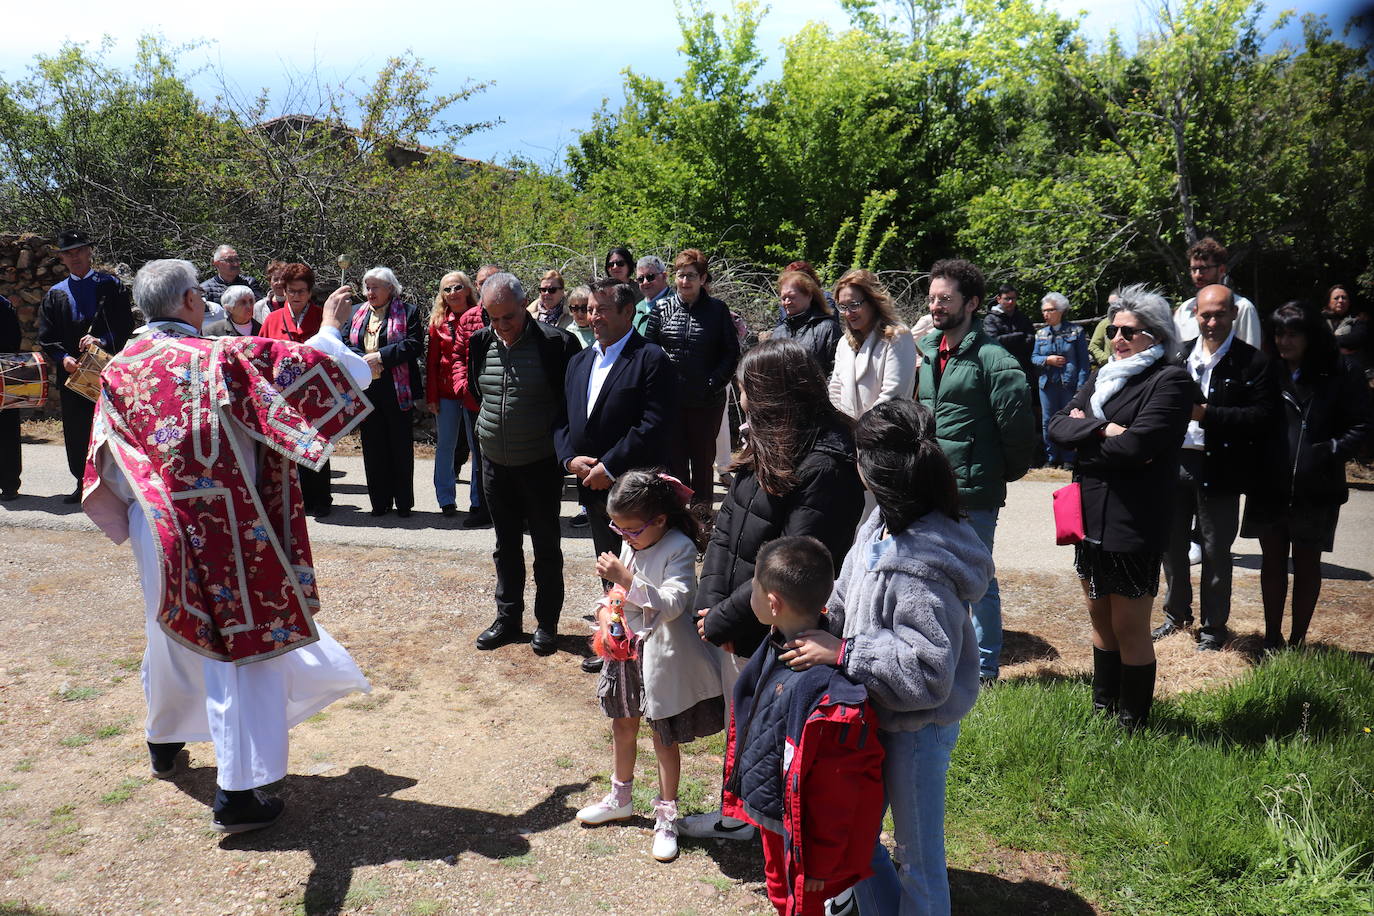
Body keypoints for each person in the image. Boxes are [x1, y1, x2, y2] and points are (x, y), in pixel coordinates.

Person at [81, 259, 372, 832]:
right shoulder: (214, 357)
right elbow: (320, 370)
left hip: (153, 524)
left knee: (168, 628)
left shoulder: (120, 368)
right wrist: (333, 328)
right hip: (222, 522)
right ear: (191, 299)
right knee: (242, 648)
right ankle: (238, 791)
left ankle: (163, 739)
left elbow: (107, 460)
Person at [782, 400, 992, 916]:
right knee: (860, 837)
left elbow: (928, 675)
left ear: (870, 469)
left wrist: (846, 651)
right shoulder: (879, 522)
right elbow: (850, 591)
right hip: (876, 713)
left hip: (918, 729)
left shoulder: (920, 563)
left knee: (918, 856)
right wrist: (817, 617)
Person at [681, 337, 864, 843]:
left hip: (777, 624)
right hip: (739, 616)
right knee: (744, 723)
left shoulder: (825, 464)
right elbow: (727, 528)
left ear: (772, 393)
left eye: (744, 390)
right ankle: (738, 817)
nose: (738, 399)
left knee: (770, 733)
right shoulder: (767, 439)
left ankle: (772, 830)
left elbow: (792, 563)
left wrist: (725, 618)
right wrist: (707, 601)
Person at [1048, 284, 1194, 729]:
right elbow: (1055, 428)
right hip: (1089, 512)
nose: (1117, 338)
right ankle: (1102, 711)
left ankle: (1132, 725)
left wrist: (1087, 434)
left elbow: (1137, 448)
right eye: (1113, 329)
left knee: (1130, 626)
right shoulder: (1103, 375)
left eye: (1128, 331)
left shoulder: (1170, 381)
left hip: (1135, 518)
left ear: (1156, 335)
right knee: (1099, 618)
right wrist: (1103, 431)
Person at [721, 536, 886, 916]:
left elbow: (837, 785)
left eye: (754, 590)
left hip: (802, 835)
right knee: (779, 890)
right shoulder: (779, 644)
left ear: (773, 604)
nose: (749, 597)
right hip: (775, 811)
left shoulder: (825, 692)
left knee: (797, 902)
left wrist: (821, 861)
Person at [574, 471, 724, 862]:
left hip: (663, 659)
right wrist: (608, 608)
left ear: (659, 519)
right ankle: (620, 797)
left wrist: (627, 578)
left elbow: (674, 605)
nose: (624, 536)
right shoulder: (635, 542)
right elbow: (624, 594)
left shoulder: (678, 546)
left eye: (630, 529)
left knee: (663, 738)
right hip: (627, 653)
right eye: (617, 528)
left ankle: (666, 817)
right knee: (623, 724)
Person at [915, 258, 1035, 683]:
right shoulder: (928, 352)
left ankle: (985, 668)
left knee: (978, 580)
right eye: (932, 299)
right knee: (932, 574)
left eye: (945, 299)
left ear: (972, 303)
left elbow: (1019, 430)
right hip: (930, 488)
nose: (935, 306)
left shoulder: (993, 358)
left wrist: (996, 474)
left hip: (974, 492)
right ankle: (944, 654)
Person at [1153, 285, 1277, 651]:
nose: (1211, 321)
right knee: (1171, 546)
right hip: (1174, 462)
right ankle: (1176, 616)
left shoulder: (1252, 362)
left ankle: (1213, 629)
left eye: (1219, 314)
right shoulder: (1176, 356)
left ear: (1233, 315)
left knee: (1215, 551)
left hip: (1221, 466)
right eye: (1205, 314)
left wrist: (1208, 414)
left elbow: (1263, 417)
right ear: (1195, 315)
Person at [1243, 301, 1371, 650]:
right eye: (1279, 333)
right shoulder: (1265, 369)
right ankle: (1272, 638)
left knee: (1307, 562)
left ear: (1311, 335)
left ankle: (1298, 641)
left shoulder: (1343, 371)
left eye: (1293, 334)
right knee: (1271, 562)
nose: (1284, 341)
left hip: (1318, 486)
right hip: (1269, 484)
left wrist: (1326, 452)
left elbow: (1362, 426)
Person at [469, 273, 581, 655]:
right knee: (505, 545)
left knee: (546, 547)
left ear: (524, 306)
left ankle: (546, 623)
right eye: (493, 317)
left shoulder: (556, 345)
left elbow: (568, 404)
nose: (501, 326)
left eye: (508, 317)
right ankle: (507, 618)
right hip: (495, 463)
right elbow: (476, 390)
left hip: (540, 464)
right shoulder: (480, 342)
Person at [555, 278, 676, 597]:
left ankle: (641, 639)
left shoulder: (650, 358)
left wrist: (608, 468)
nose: (593, 316)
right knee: (608, 569)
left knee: (642, 575)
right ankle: (614, 636)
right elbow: (562, 418)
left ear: (628, 312)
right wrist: (569, 459)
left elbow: (654, 422)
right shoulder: (578, 362)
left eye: (602, 309)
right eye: (590, 309)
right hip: (593, 490)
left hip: (637, 491)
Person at [37, 230, 136, 503]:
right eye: (69, 252)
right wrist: (62, 358)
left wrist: (102, 340)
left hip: (106, 372)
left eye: (80, 250)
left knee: (110, 428)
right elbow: (47, 336)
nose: (75, 256)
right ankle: (83, 483)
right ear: (62, 258)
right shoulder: (55, 294)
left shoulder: (110, 285)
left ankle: (116, 486)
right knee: (77, 430)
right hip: (72, 376)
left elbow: (125, 324)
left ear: (89, 251)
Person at [644, 249, 740, 509]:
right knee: (674, 462)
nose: (685, 281)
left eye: (691, 276)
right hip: (671, 399)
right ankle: (677, 520)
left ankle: (703, 521)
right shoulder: (662, 307)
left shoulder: (717, 310)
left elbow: (731, 352)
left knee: (702, 460)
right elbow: (648, 350)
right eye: (680, 275)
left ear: (703, 278)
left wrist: (713, 383)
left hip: (707, 400)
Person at [346, 267, 424, 518]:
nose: (370, 292)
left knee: (400, 446)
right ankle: (379, 503)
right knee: (373, 445)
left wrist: (380, 356)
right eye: (367, 287)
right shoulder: (357, 313)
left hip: (396, 388)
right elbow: (346, 344)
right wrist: (363, 360)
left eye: (376, 287)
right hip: (367, 388)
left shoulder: (409, 312)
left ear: (390, 289)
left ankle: (403, 504)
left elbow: (413, 344)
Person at [262, 263, 334, 517]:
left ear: (310, 291)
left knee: (319, 444)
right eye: (291, 291)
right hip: (284, 394)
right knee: (291, 447)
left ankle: (322, 498)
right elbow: (263, 354)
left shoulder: (321, 317)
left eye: (301, 291)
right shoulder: (272, 319)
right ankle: (298, 498)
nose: (296, 296)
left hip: (315, 392)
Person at [426, 270, 485, 519]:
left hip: (473, 392)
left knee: (477, 447)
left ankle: (477, 500)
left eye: (457, 287)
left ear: (468, 289)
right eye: (447, 289)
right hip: (446, 392)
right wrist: (431, 397)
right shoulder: (438, 323)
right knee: (446, 445)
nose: (452, 293)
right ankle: (446, 499)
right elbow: (431, 363)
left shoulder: (481, 317)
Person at [827, 268, 917, 420]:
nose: (848, 313)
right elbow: (835, 390)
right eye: (843, 307)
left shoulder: (897, 336)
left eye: (854, 304)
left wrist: (863, 429)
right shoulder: (844, 343)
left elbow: (893, 396)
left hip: (884, 432)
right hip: (848, 435)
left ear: (873, 301)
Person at [1031, 292, 1091, 467]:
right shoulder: (1040, 334)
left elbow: (1083, 363)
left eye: (1049, 310)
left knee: (1069, 420)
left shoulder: (1076, 331)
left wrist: (1081, 387)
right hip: (1047, 385)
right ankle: (1051, 459)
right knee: (1047, 421)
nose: (1045, 314)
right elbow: (1033, 358)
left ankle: (1069, 458)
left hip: (1069, 385)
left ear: (1061, 310)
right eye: (1044, 311)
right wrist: (1046, 360)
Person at [1173, 237, 1261, 348]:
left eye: (1204, 268)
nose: (1197, 275)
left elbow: (1251, 354)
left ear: (1221, 270)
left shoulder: (1242, 307)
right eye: (1194, 269)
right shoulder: (1184, 310)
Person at [771, 269, 842, 377]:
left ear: (809, 296)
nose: (787, 302)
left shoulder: (828, 329)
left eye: (792, 297)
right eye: (783, 298)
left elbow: (837, 371)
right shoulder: (778, 333)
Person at [1323, 283, 1369, 374]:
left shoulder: (1358, 320)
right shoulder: (1319, 320)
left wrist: (1328, 342)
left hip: (1350, 374)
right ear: (1328, 302)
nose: (1340, 300)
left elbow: (1357, 339)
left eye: (1344, 298)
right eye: (1336, 298)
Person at [0, 294, 20, 500]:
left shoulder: (3, 305)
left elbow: (13, 340)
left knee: (6, 430)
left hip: (2, 374)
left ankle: (9, 484)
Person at [200, 244, 265, 304]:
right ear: (217, 264)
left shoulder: (249, 283)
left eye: (237, 259)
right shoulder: (205, 289)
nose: (236, 264)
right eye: (230, 260)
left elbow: (258, 308)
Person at [633, 256, 673, 332]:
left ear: (664, 276)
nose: (645, 282)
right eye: (640, 279)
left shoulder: (676, 305)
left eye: (650, 277)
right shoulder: (637, 308)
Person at [1087, 291, 1121, 369]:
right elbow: (1093, 346)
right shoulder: (1104, 323)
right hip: (1111, 368)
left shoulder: (1133, 322)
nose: (1112, 307)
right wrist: (1106, 360)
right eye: (1110, 304)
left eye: (1115, 304)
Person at [253, 260, 288, 324]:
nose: (279, 283)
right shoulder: (259, 307)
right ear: (269, 282)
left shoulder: (296, 303)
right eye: (276, 279)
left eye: (283, 279)